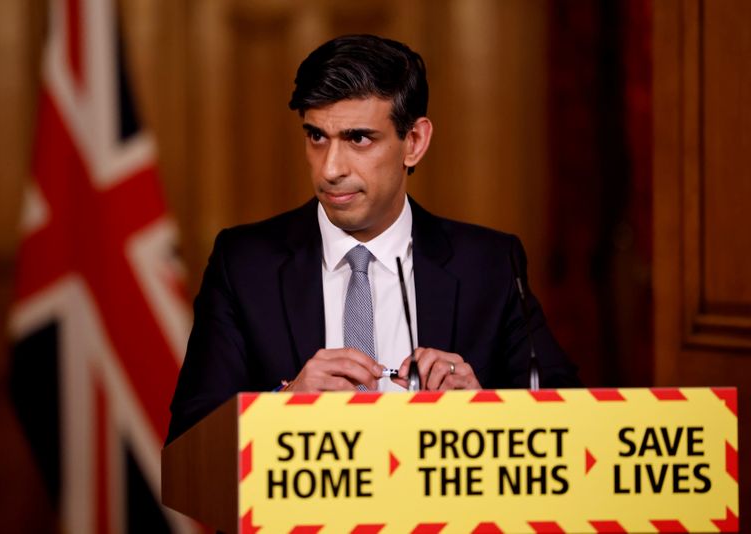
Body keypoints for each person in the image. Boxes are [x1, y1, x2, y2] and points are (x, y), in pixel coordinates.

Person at [166, 34, 579, 444]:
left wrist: (483, 410)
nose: (329, 169)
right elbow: (189, 443)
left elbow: (573, 431)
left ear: (413, 142)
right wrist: (284, 407)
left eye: (358, 139)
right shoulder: (244, 265)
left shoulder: (489, 266)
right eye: (316, 137)